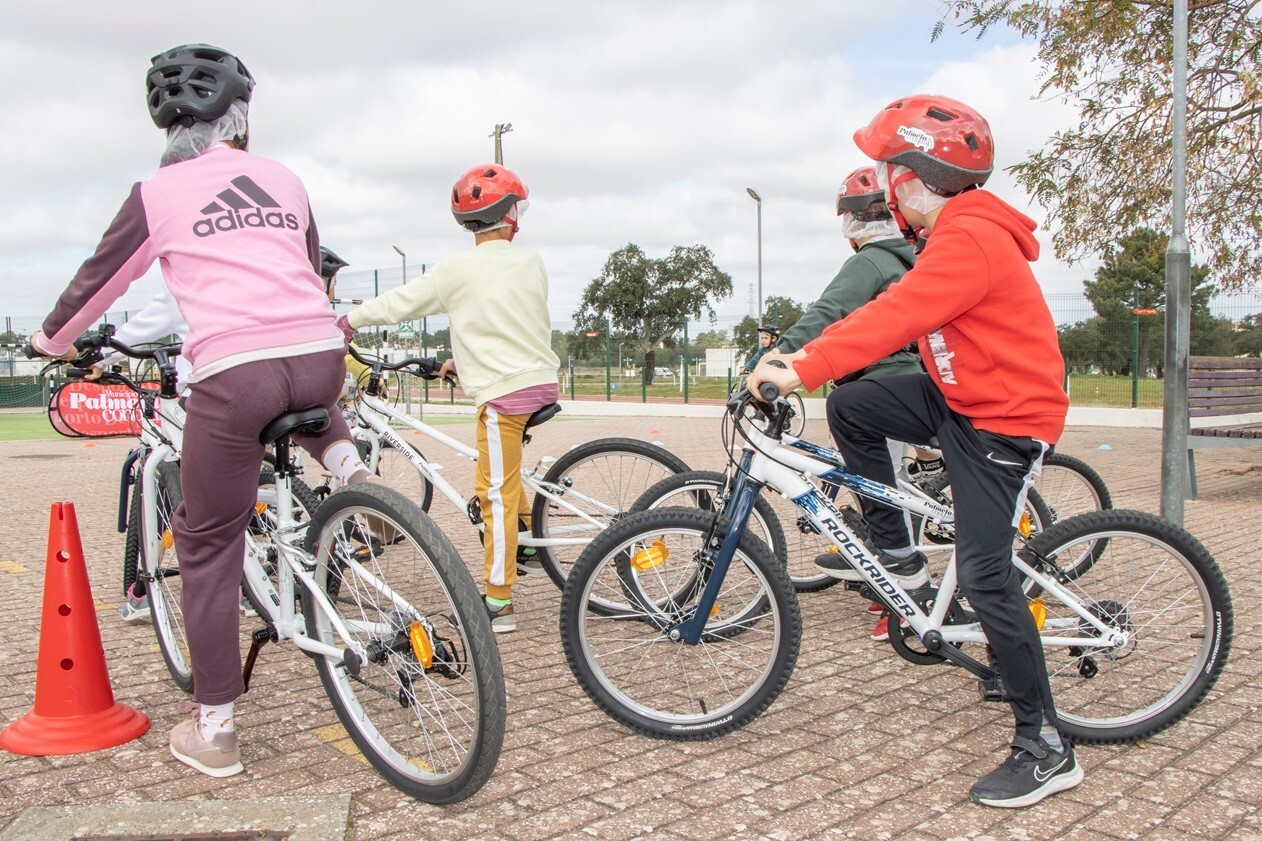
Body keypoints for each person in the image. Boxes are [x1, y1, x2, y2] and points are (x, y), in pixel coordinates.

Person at [29, 44, 369, 779]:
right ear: (241, 116)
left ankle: (214, 728)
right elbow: (306, 274)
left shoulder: (156, 193)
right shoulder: (285, 178)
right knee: (305, 391)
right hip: (318, 361)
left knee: (207, 542)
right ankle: (353, 472)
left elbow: (97, 281)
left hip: (233, 376)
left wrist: (47, 340)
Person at [748, 94, 1078, 808]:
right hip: (960, 398)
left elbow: (899, 312)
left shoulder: (970, 239)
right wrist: (812, 359)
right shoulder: (952, 232)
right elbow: (882, 318)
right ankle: (894, 550)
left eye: (889, 169)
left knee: (986, 575)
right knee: (854, 405)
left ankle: (1046, 744)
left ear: (914, 179)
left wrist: (798, 366)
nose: (886, 183)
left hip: (1002, 419)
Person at [339, 164, 560, 634]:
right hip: (538, 379)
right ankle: (524, 546)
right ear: (511, 215)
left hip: (504, 395)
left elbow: (400, 302)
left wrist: (350, 322)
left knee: (496, 495)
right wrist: (466, 361)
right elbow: (508, 319)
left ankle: (499, 601)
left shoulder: (455, 270)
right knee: (499, 477)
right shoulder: (532, 261)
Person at [774, 166, 925, 642]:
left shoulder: (872, 260)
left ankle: (905, 602)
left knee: (889, 490)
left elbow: (826, 314)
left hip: (885, 387)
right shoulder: (909, 257)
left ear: (850, 223)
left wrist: (773, 361)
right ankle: (885, 564)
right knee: (883, 482)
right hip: (910, 383)